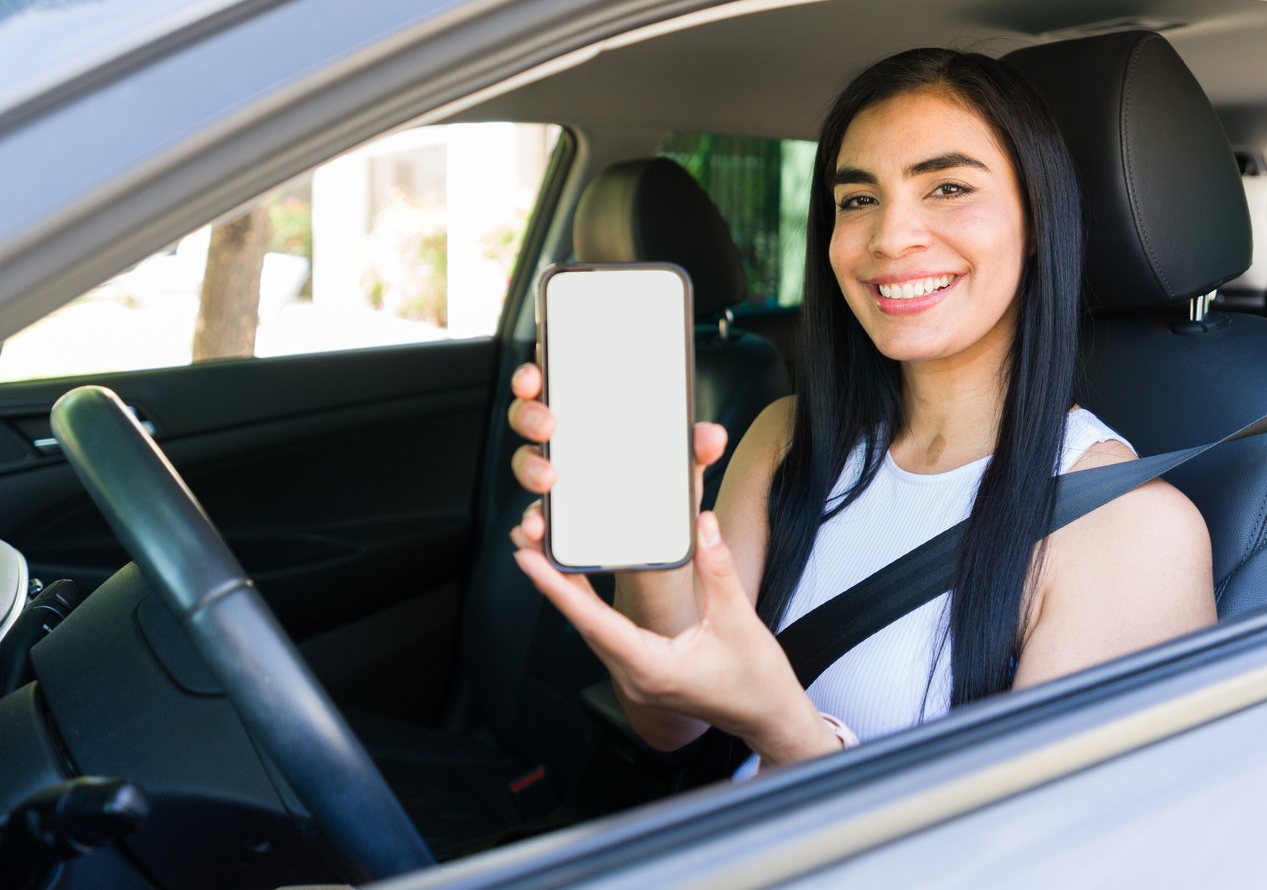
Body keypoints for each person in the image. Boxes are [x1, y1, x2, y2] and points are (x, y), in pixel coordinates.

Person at [505, 47, 1216, 776]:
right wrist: (649, 542)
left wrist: (792, 734)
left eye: (946, 187)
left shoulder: (1130, 531)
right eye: (857, 199)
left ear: (1038, 222)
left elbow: (1035, 864)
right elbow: (668, 723)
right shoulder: (785, 439)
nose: (889, 238)